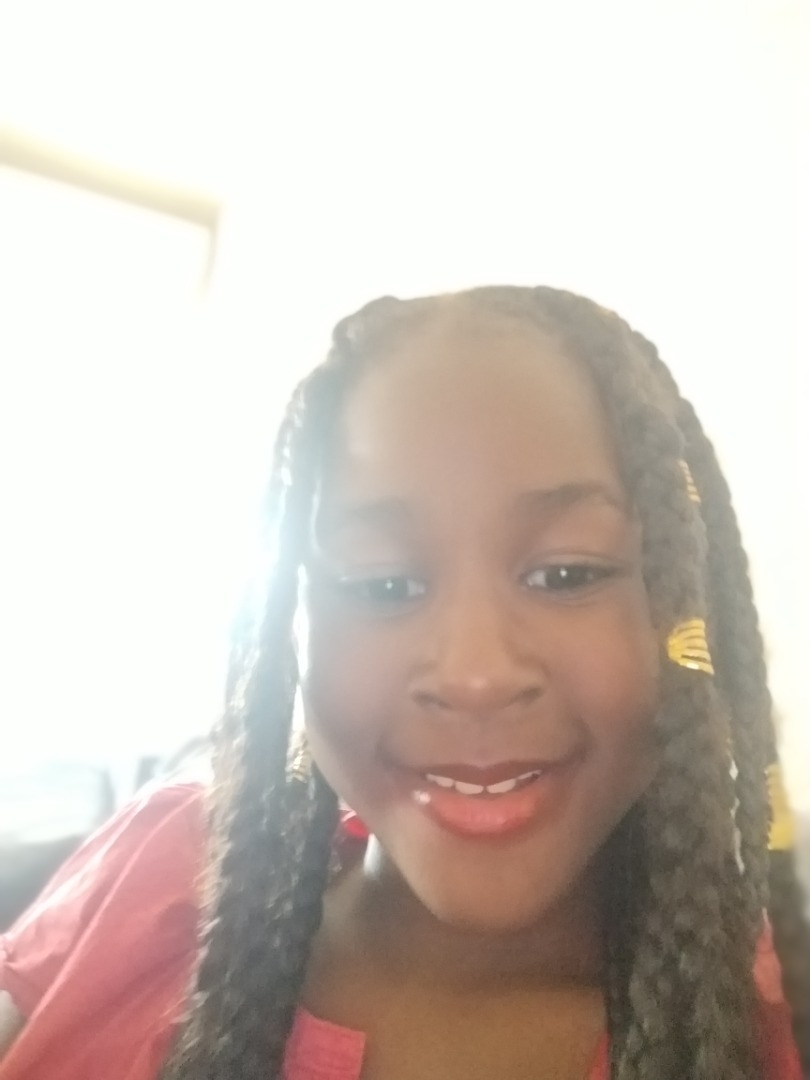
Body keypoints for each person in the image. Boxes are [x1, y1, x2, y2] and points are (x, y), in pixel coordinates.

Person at [0, 286, 807, 1080]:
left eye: (567, 573)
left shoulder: (757, 1023)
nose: (475, 675)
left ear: (689, 610)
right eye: (383, 584)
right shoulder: (165, 874)